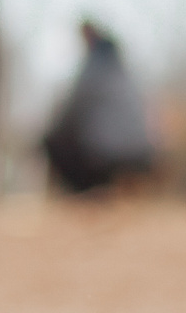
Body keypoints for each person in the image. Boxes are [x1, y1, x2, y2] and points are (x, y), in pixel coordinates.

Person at [41, 19, 157, 195]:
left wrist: (48, 135)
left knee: (51, 142)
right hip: (141, 152)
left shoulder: (94, 68)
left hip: (106, 156)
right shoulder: (125, 69)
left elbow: (70, 112)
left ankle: (81, 194)